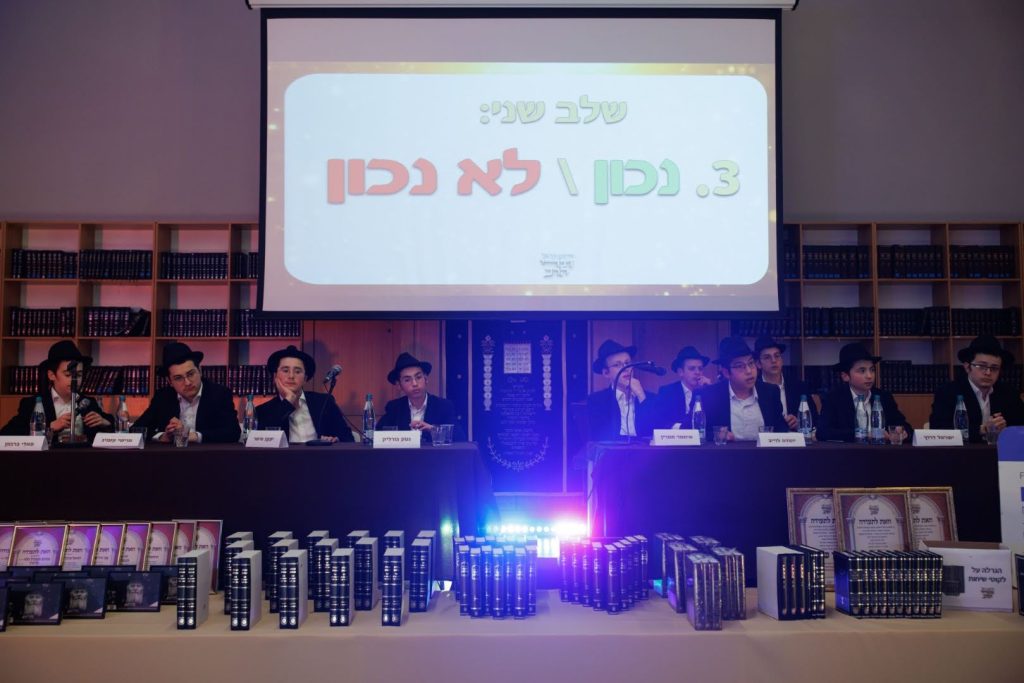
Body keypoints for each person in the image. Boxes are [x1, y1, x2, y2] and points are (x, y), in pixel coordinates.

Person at [0, 340, 114, 439]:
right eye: (68, 375)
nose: (74, 380)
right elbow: (6, 434)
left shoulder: (89, 403)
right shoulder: (32, 404)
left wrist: (105, 423)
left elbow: (112, 426)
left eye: (79, 375)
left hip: (82, 456)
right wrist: (49, 428)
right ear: (51, 375)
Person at [132, 342, 240, 443]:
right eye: (178, 378)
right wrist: (162, 436)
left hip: (207, 455)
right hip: (172, 456)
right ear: (170, 381)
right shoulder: (162, 397)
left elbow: (233, 432)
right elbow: (135, 430)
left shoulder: (220, 394)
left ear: (200, 371)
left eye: (191, 374)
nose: (187, 383)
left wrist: (193, 436)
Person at [928, 335, 1024, 442]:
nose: (988, 373)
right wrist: (982, 429)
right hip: (964, 451)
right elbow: (938, 429)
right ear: (967, 367)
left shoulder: (1009, 393)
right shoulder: (948, 392)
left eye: (994, 368)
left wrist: (1006, 429)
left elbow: (1020, 426)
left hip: (1001, 450)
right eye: (982, 366)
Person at [255, 345, 354, 443]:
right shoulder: (263, 411)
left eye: (297, 372)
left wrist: (335, 440)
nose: (291, 376)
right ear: (275, 376)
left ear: (305, 378)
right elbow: (262, 442)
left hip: (319, 453)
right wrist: (288, 401)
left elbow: (348, 438)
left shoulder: (324, 402)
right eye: (285, 371)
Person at [817, 342, 912, 442]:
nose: (869, 376)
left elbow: (906, 428)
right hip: (849, 451)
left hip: (881, 451)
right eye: (862, 371)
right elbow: (822, 432)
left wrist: (901, 432)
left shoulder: (884, 397)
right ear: (845, 376)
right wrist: (863, 434)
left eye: (872, 370)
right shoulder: (833, 399)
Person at [699, 336, 788, 440]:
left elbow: (781, 430)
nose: (749, 371)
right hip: (727, 451)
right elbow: (695, 431)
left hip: (763, 451)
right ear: (726, 373)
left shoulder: (770, 392)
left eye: (751, 363)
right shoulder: (709, 396)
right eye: (740, 366)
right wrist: (715, 435)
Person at [376, 352, 463, 442]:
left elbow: (460, 438)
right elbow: (378, 436)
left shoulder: (443, 406)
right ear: (399, 385)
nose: (415, 384)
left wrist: (433, 429)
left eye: (418, 377)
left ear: (426, 379)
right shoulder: (394, 408)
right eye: (407, 380)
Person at [585, 339, 658, 441]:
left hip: (644, 449)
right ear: (606, 373)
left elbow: (657, 431)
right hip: (613, 450)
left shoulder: (650, 398)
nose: (625, 368)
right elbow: (599, 435)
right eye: (617, 365)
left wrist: (641, 396)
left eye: (627, 363)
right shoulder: (597, 400)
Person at [754, 335, 818, 432]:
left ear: (782, 360)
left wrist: (799, 423)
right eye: (767, 357)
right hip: (766, 439)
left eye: (777, 356)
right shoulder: (753, 389)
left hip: (795, 439)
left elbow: (815, 420)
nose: (774, 361)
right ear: (758, 364)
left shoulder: (799, 387)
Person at [657, 346, 710, 428]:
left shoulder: (707, 391)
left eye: (700, 369)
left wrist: (709, 391)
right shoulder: (667, 392)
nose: (697, 372)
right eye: (692, 369)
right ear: (680, 372)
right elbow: (663, 422)